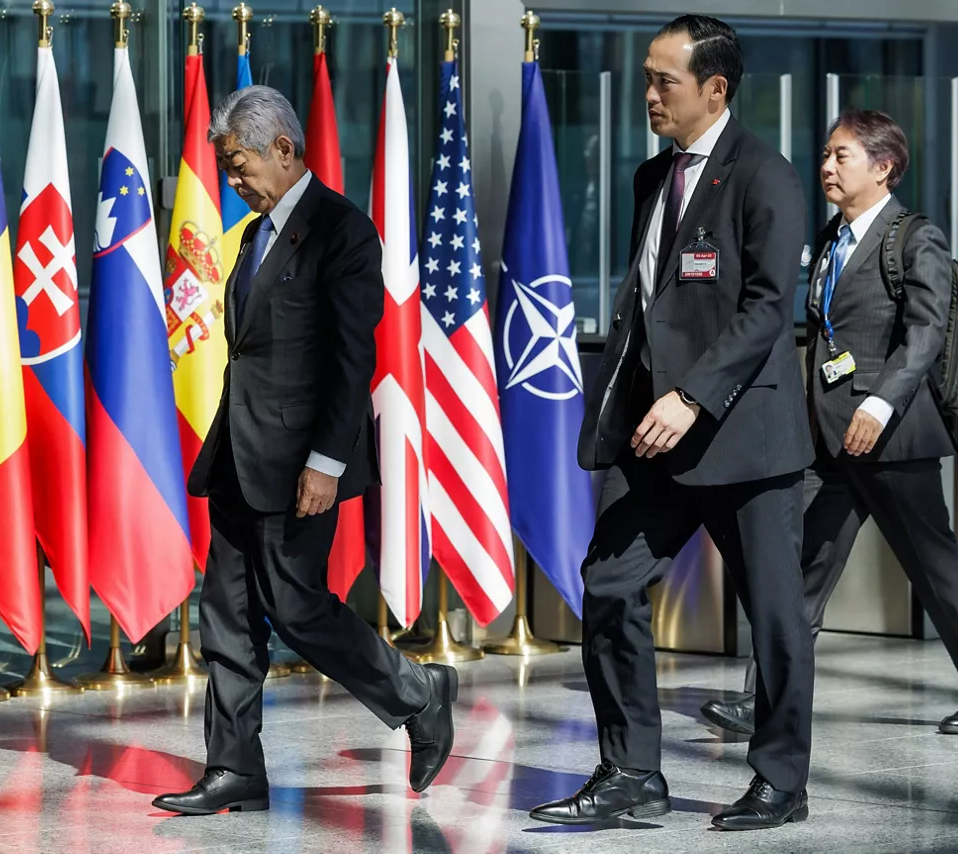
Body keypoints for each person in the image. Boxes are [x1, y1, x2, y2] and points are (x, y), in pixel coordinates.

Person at [528, 15, 816, 831]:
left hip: (740, 438)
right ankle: (630, 769)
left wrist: (692, 394)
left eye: (666, 82)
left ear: (715, 89)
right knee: (609, 585)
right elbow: (652, 305)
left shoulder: (767, 176)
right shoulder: (651, 178)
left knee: (777, 618)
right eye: (648, 78)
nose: (649, 94)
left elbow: (767, 309)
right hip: (653, 440)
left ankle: (781, 781)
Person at [151, 86, 458, 816]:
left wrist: (326, 462)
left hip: (298, 465)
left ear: (283, 150)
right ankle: (234, 768)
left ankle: (418, 691)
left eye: (238, 164)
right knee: (225, 615)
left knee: (297, 609)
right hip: (237, 454)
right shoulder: (254, 234)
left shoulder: (342, 231)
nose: (231, 180)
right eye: (225, 167)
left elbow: (354, 358)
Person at [700, 109, 958, 739]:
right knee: (796, 569)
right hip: (827, 438)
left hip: (891, 437)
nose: (826, 167)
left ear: (885, 166)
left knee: (936, 569)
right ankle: (764, 699)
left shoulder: (913, 237)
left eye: (842, 156)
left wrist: (879, 404)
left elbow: (925, 335)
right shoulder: (830, 239)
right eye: (826, 155)